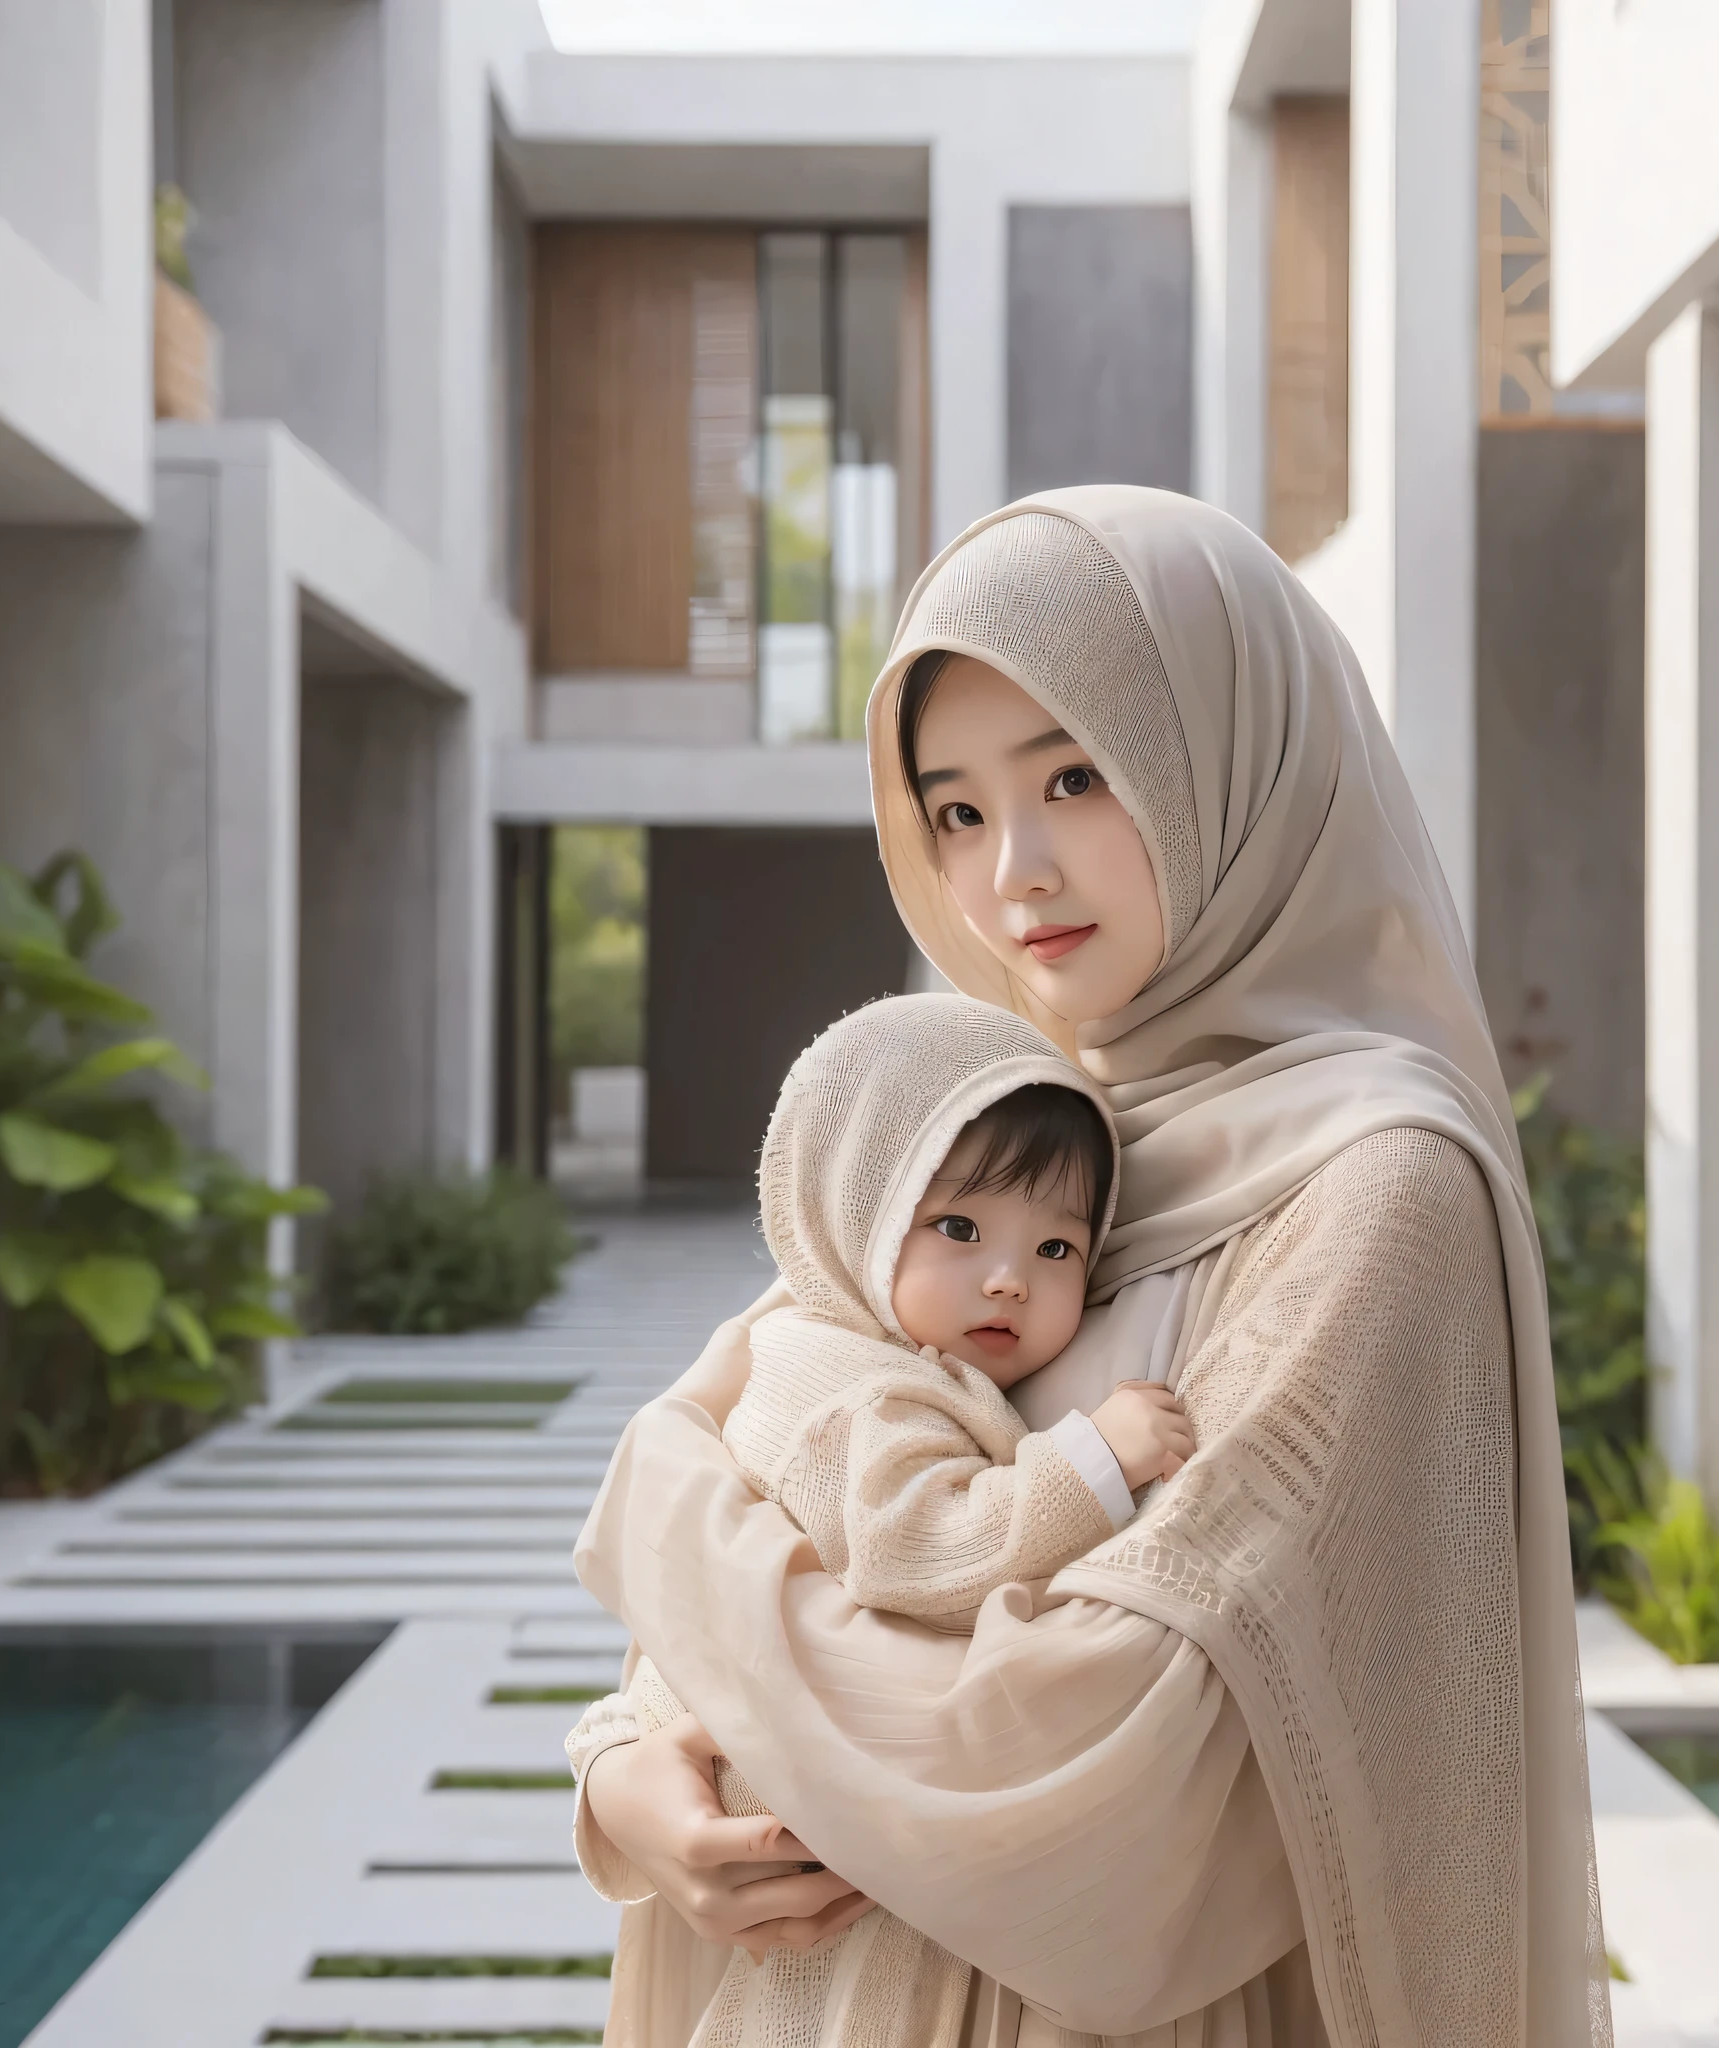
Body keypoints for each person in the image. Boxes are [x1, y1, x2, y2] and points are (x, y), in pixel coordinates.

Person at [571, 487, 1613, 2048]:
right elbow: (777, 1442)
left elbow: (1082, 1761)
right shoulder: (1003, 1131)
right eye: (959, 812)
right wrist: (629, 1765)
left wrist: (668, 1520)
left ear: (1234, 763)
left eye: (1076, 775)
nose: (1014, 878)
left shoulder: (1377, 1190)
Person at [568, 992, 1193, 2046]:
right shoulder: (864, 1393)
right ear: (852, 1210)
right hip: (810, 1818)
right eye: (957, 1227)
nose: (1008, 1277)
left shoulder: (815, 1338)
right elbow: (919, 1545)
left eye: (1057, 1248)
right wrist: (1092, 1456)